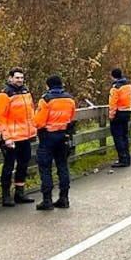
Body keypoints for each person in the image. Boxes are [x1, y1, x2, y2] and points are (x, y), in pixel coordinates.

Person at [0, 67, 37, 212]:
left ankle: (19, 192)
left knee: (23, 164)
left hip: (25, 136)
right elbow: (1, 119)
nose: (20, 80)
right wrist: (7, 137)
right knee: (9, 166)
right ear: (10, 78)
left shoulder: (26, 93)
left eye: (21, 78)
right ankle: (6, 195)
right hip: (12, 137)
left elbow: (31, 113)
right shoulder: (4, 95)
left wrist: (33, 130)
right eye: (17, 78)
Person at [34, 75, 76, 210]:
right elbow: (71, 116)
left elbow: (39, 122)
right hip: (63, 135)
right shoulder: (69, 99)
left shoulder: (46, 99)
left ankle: (47, 200)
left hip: (48, 135)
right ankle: (64, 198)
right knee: (62, 166)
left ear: (48, 85)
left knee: (45, 167)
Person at [108, 68, 131, 168]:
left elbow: (112, 103)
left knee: (117, 137)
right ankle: (127, 157)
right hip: (127, 111)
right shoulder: (128, 86)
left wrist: (111, 116)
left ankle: (122, 159)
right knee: (124, 136)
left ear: (113, 76)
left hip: (118, 113)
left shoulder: (115, 88)